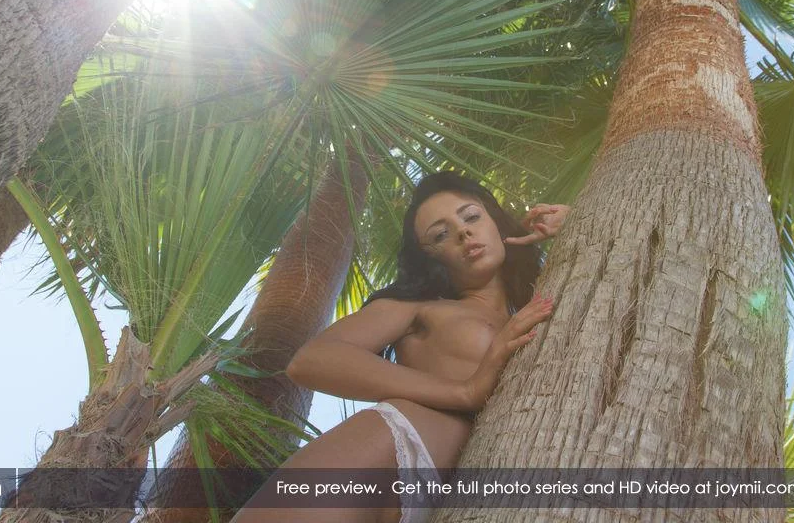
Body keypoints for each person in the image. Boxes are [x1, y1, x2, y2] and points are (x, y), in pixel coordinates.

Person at [231, 170, 570, 523]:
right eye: (440, 235)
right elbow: (312, 360)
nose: (463, 232)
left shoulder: (539, 303)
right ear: (429, 258)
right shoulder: (422, 306)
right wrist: (465, 391)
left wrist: (576, 221)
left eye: (471, 216)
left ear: (496, 223)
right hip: (396, 452)